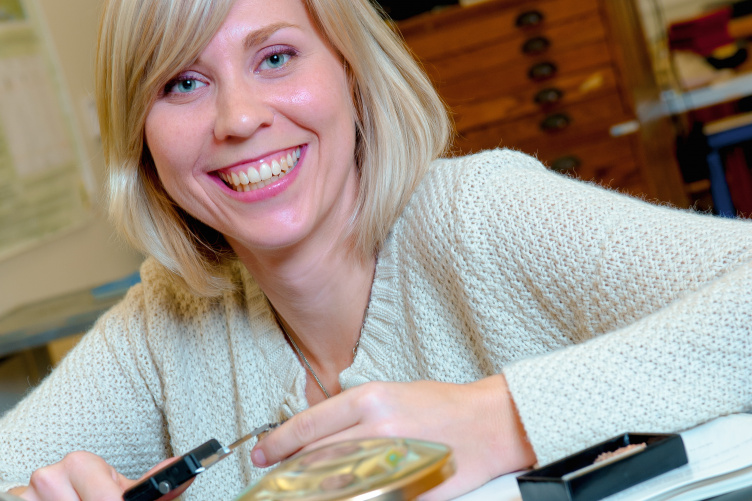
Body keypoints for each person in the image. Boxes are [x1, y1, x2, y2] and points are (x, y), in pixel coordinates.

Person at [1, 0, 751, 499]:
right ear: (142, 138)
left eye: (276, 59)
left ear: (352, 73)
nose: (237, 118)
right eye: (183, 82)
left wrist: (503, 418)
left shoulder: (479, 217)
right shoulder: (163, 324)